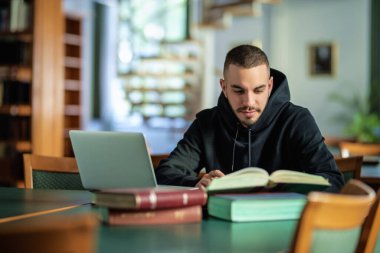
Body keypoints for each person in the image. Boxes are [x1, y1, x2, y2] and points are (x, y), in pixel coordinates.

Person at [155, 44, 344, 192]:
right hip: (222, 226)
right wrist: (198, 181)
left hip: (283, 227)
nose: (249, 102)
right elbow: (165, 173)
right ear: (224, 87)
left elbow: (332, 179)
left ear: (270, 86)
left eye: (258, 90)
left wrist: (285, 189)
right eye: (238, 90)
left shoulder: (297, 120)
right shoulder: (207, 123)